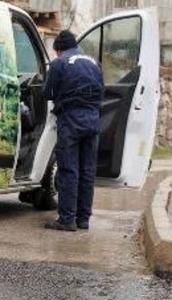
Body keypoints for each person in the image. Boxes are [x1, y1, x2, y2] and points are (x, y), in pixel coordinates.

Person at [43, 29, 104, 231]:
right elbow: (101, 90)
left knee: (69, 169)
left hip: (70, 120)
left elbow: (48, 93)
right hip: (93, 120)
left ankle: (67, 219)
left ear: (59, 49)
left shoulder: (59, 63)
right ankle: (83, 219)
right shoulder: (94, 63)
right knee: (87, 171)